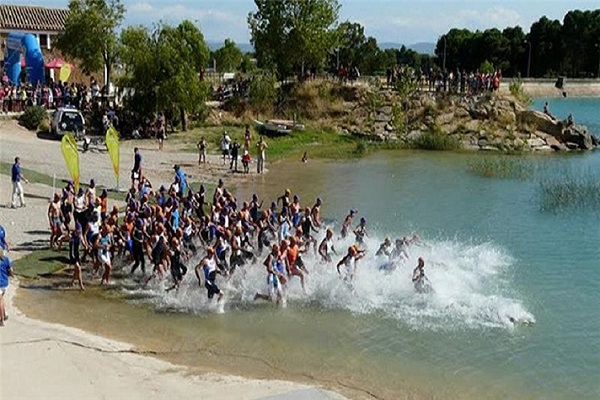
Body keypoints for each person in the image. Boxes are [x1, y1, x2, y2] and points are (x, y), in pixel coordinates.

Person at [0, 248, 14, 326]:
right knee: (1, 299)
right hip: (5, 284)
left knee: (0, 301)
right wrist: (11, 274)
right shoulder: (6, 259)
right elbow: (11, 270)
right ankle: (4, 314)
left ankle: (1, 320)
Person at [69, 223, 85, 290]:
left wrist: (87, 246)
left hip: (78, 255)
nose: (79, 232)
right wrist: (59, 246)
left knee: (76, 270)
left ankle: (72, 282)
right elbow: (62, 239)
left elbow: (84, 244)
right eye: (79, 231)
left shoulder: (80, 236)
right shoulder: (71, 236)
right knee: (79, 269)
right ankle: (81, 285)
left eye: (80, 231)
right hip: (72, 255)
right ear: (76, 230)